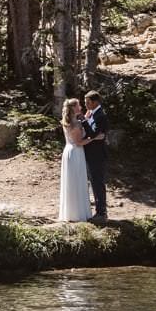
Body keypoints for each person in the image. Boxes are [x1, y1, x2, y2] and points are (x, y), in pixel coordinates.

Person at [57, 98, 92, 223]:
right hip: (76, 152)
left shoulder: (67, 121)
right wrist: (94, 138)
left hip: (68, 151)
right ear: (73, 108)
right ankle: (78, 213)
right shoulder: (76, 124)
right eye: (79, 106)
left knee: (71, 181)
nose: (81, 107)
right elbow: (79, 142)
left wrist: (84, 117)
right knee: (77, 180)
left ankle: (70, 212)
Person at [82, 90, 109, 222]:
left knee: (98, 183)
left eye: (87, 102)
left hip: (97, 155)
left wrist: (83, 121)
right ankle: (99, 211)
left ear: (95, 102)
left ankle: (101, 213)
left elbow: (93, 134)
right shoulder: (91, 114)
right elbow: (93, 135)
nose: (85, 105)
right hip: (90, 154)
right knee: (93, 182)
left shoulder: (100, 116)